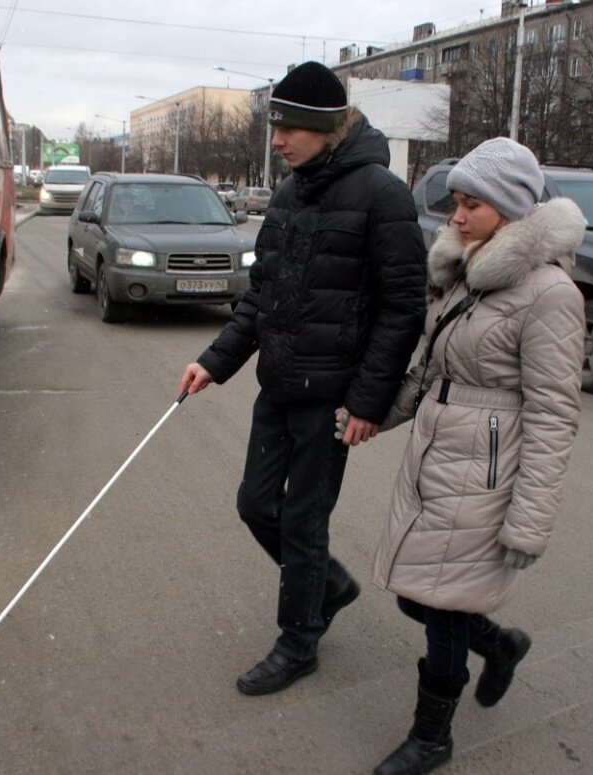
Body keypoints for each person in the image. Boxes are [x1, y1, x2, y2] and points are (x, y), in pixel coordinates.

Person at [177, 61, 427, 697]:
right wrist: (215, 360)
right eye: (276, 128)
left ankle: (299, 641)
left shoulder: (381, 194)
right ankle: (331, 586)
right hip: (279, 385)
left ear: (322, 128)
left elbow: (404, 309)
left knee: (304, 520)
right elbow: (262, 296)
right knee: (256, 505)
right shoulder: (289, 195)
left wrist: (369, 401)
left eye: (288, 129)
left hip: (333, 397)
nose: (278, 141)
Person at [364, 137, 586, 774]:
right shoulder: (464, 273)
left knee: (442, 605)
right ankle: (502, 644)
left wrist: (530, 520)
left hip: (489, 471)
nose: (456, 217)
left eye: (472, 205)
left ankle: (431, 738)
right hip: (436, 455)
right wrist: (368, 416)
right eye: (456, 203)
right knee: (418, 594)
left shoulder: (549, 294)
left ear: (513, 212)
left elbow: (554, 413)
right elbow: (433, 372)